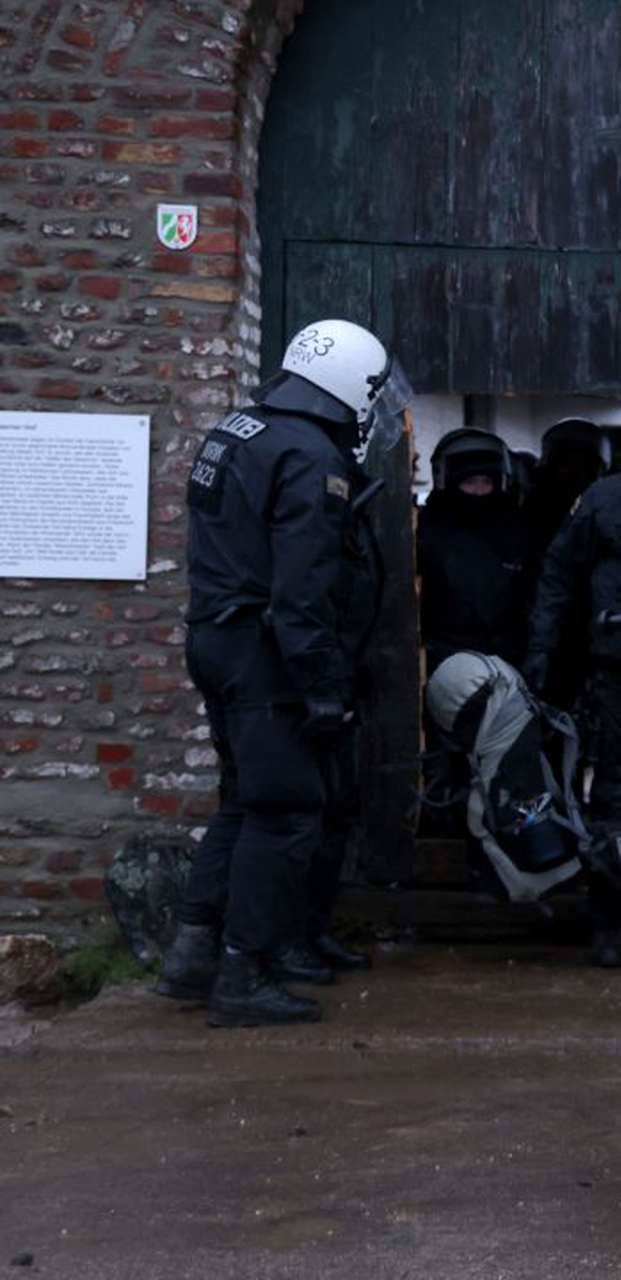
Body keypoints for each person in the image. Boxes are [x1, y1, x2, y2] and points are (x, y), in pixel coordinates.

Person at [154, 318, 407, 1027]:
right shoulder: (307, 454)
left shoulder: (239, 430)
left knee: (243, 800)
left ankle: (192, 953)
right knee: (286, 811)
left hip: (217, 638)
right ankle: (244, 974)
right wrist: (323, 687)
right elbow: (300, 590)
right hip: (268, 653)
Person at [524, 435, 621, 968]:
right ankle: (609, 921)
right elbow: (559, 573)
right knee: (616, 797)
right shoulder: (609, 499)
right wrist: (542, 650)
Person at [417, 428, 533, 675]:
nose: (479, 492)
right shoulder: (426, 533)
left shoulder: (515, 532)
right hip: (448, 665)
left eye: (486, 482)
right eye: (469, 482)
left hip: (508, 664)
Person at [522, 417, 613, 558]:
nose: (572, 471)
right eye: (566, 462)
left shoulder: (606, 502)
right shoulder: (539, 500)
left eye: (583, 464)